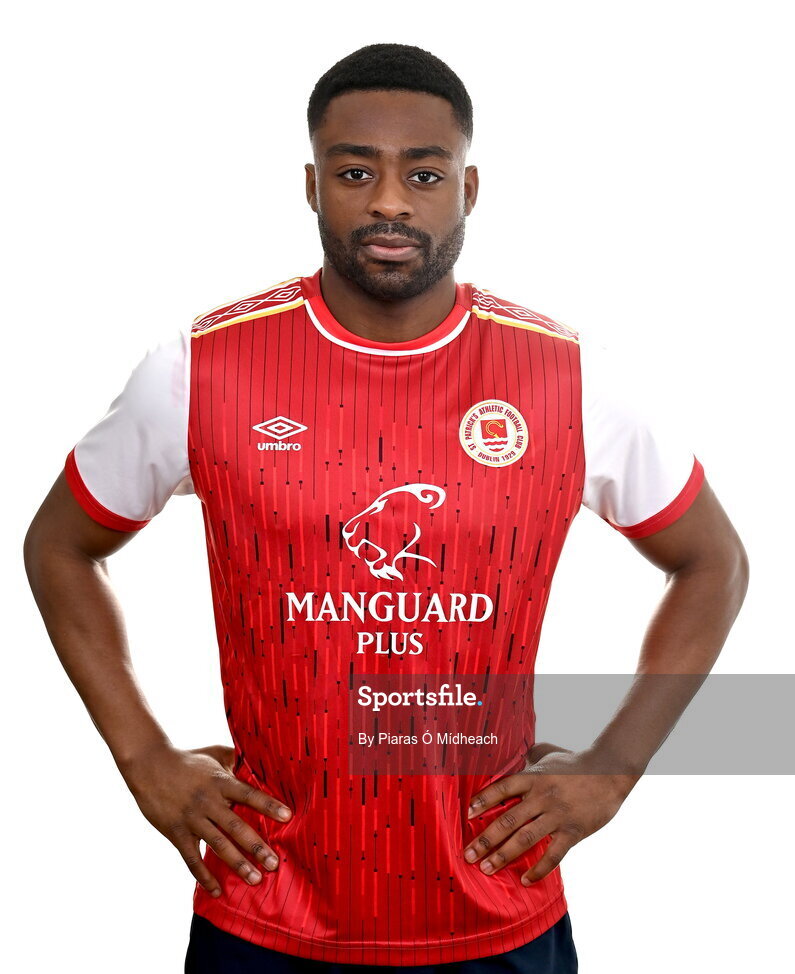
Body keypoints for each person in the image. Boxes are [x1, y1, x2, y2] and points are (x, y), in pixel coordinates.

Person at [23, 42, 749, 974]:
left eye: (424, 172)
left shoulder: (565, 379)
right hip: (266, 903)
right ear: (312, 184)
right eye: (355, 171)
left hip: (496, 902)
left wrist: (615, 767)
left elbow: (713, 561)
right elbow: (60, 546)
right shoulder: (203, 370)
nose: (390, 201)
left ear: (469, 186)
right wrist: (143, 759)